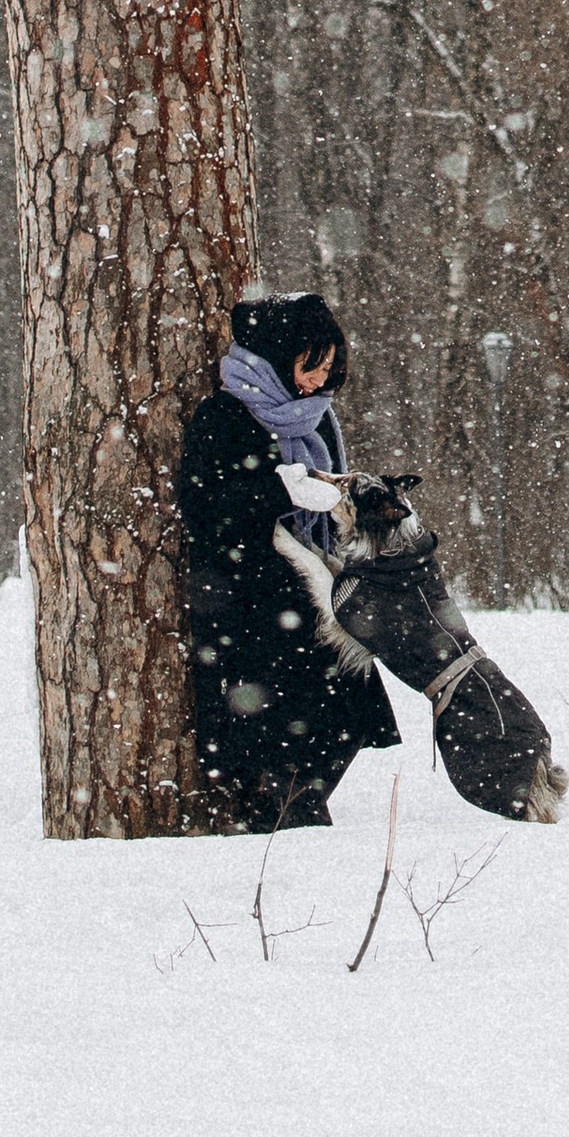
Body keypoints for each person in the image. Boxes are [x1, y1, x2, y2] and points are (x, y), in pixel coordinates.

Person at [177, 290, 398, 829]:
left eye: (328, 368)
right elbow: (205, 506)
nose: (319, 381)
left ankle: (294, 807)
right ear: (277, 354)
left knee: (347, 702)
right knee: (271, 721)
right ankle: (281, 815)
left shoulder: (317, 419)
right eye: (310, 365)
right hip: (246, 598)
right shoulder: (224, 415)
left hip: (311, 592)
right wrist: (282, 493)